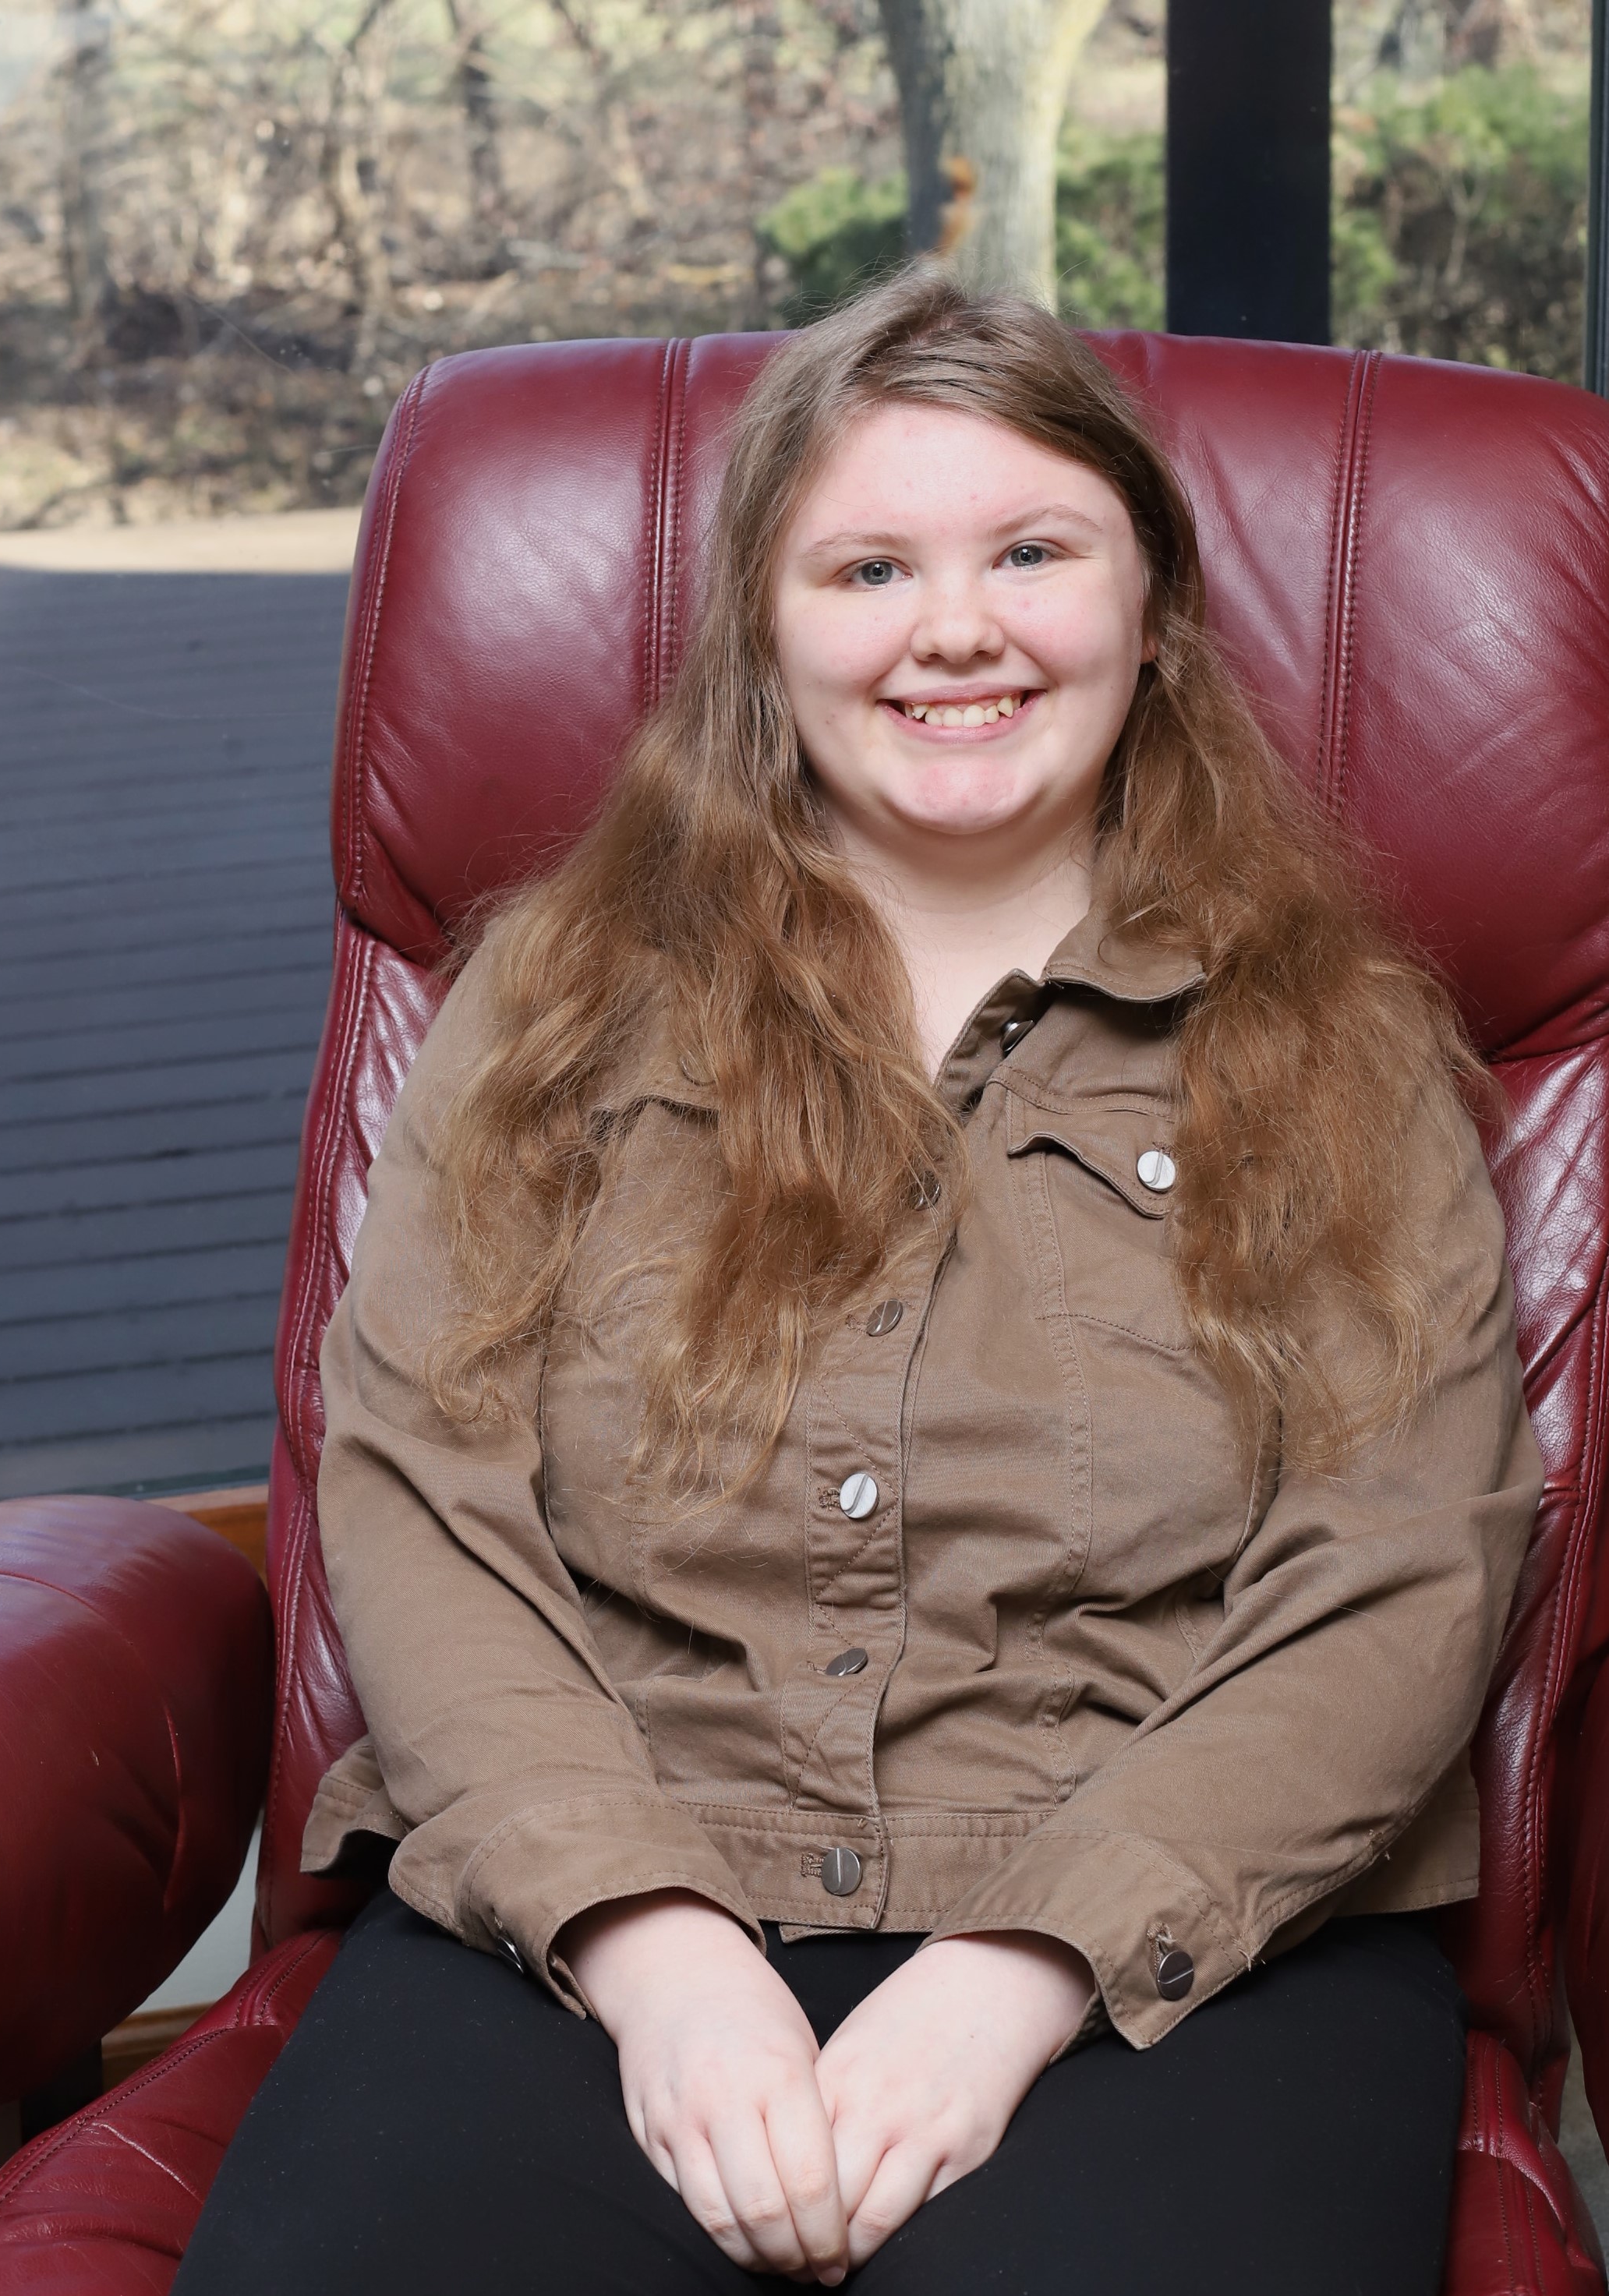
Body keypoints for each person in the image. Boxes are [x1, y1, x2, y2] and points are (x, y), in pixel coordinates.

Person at [173, 268, 1540, 2295]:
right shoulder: (555, 1002)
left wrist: (1023, 1964)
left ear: (1152, 610)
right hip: (607, 1893)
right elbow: (418, 1497)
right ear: (764, 628)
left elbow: (1399, 1568)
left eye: (1032, 551)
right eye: (871, 564)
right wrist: (652, 1950)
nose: (956, 626)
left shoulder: (1332, 1036)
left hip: (1179, 1941)